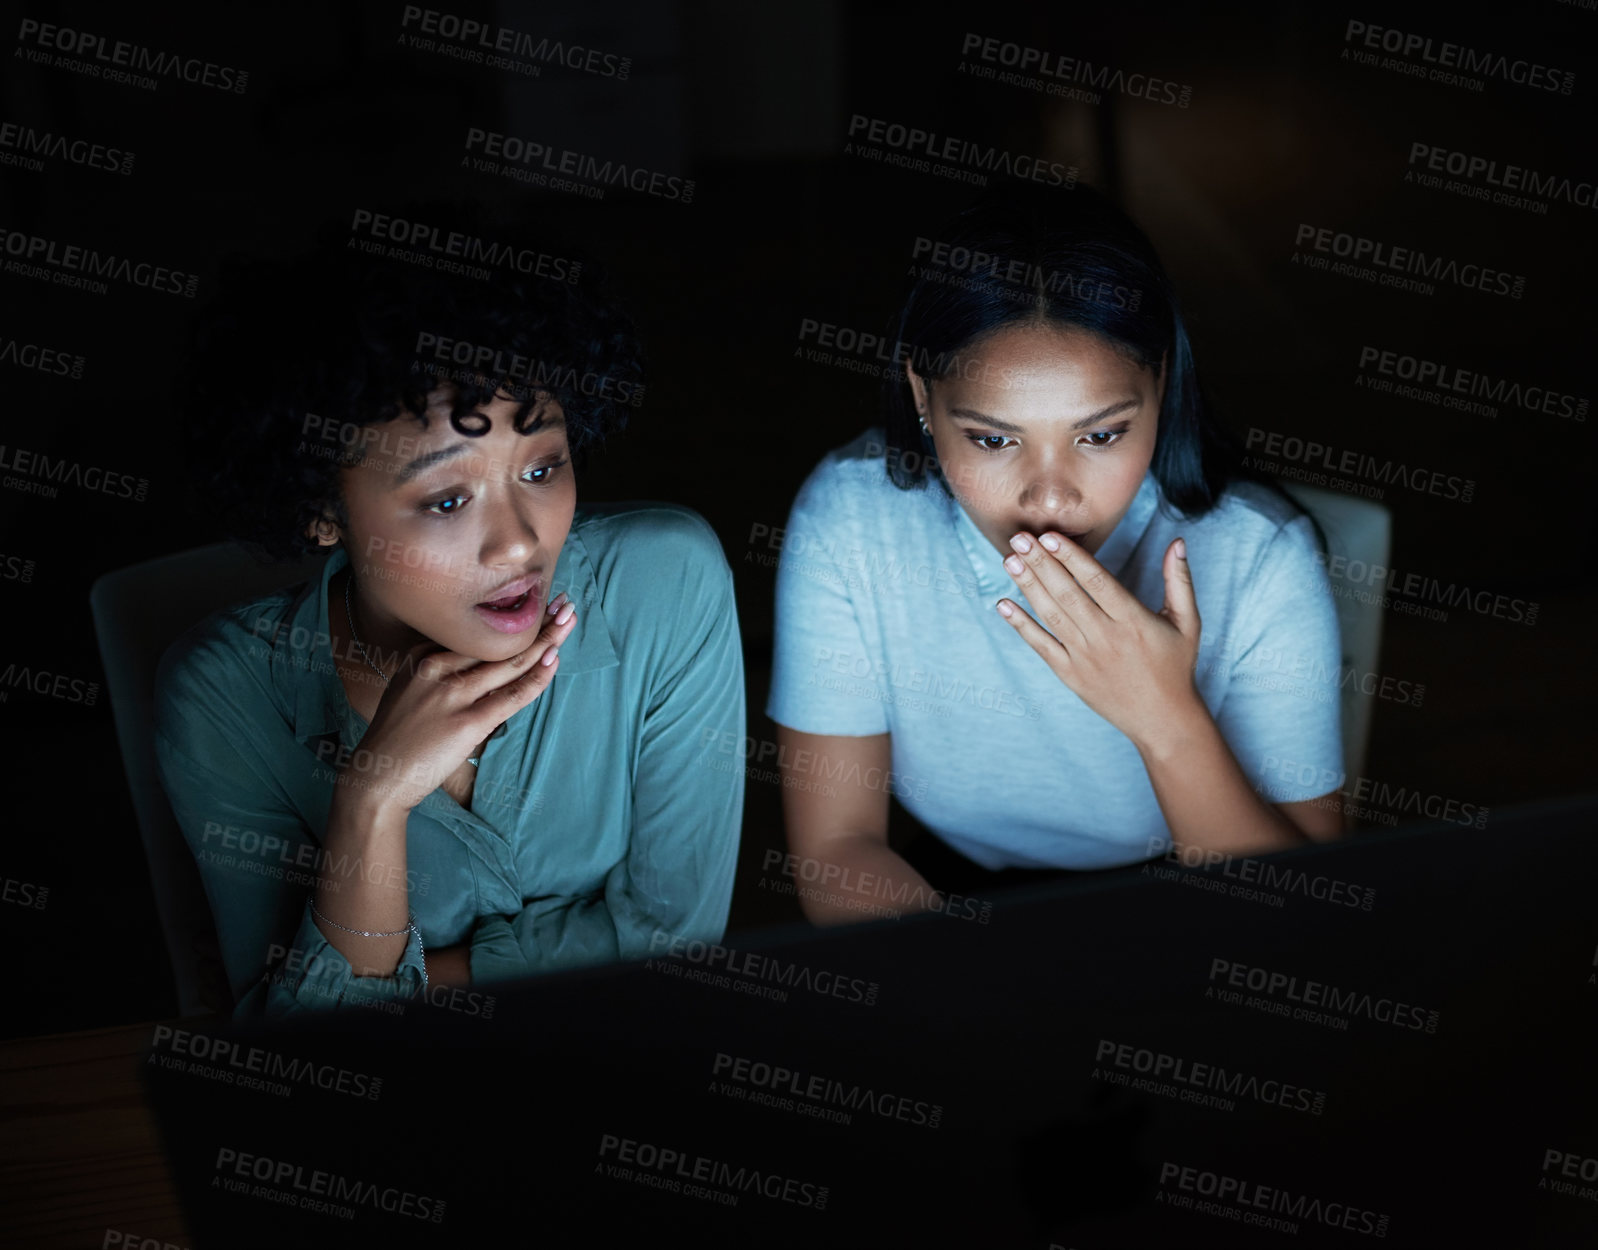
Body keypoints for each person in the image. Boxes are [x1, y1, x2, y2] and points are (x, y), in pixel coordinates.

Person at [154, 219, 745, 1016]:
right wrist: (373, 798)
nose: (519, 543)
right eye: (446, 499)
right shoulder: (223, 696)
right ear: (321, 511)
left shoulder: (664, 582)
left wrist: (402, 990)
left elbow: (676, 948)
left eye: (542, 467)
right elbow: (295, 1047)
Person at [767, 181, 1345, 924]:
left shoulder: (1262, 559)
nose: (1049, 499)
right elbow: (838, 846)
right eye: (992, 439)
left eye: (1099, 436)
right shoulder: (852, 520)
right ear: (922, 393)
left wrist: (1165, 717)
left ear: (1160, 382)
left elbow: (1303, 917)